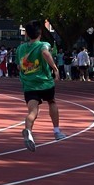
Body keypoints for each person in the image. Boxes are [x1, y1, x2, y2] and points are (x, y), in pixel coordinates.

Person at [16, 20, 64, 151]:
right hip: (45, 82)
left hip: (29, 85)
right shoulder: (43, 44)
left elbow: (19, 67)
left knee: (32, 112)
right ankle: (56, 131)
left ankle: (28, 131)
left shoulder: (20, 49)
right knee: (52, 102)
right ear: (40, 33)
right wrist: (55, 68)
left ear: (26, 34)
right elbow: (45, 52)